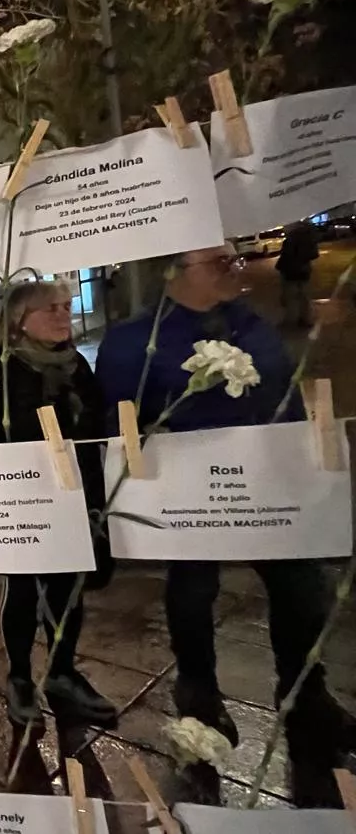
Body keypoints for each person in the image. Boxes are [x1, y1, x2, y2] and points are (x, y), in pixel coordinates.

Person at [98, 244, 354, 790]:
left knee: (303, 586)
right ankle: (197, 691)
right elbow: (121, 419)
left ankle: (306, 693)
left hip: (264, 483)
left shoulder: (247, 322)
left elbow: (280, 390)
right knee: (192, 590)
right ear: (173, 273)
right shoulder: (133, 341)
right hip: (190, 493)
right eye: (219, 262)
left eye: (237, 259)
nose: (236, 270)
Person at [0, 281, 116, 728]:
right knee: (23, 590)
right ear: (19, 322)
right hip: (21, 504)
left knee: (68, 592)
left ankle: (62, 672)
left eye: (66, 306)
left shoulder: (74, 364)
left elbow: (97, 424)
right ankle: (19, 677)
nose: (64, 315)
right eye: (50, 309)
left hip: (73, 498)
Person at [276, 222, 319, 328]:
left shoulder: (290, 241)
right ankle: (305, 319)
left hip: (290, 271)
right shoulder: (309, 240)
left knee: (290, 297)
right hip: (304, 271)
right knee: (304, 297)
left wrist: (282, 266)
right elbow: (314, 254)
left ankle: (291, 320)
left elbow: (286, 257)